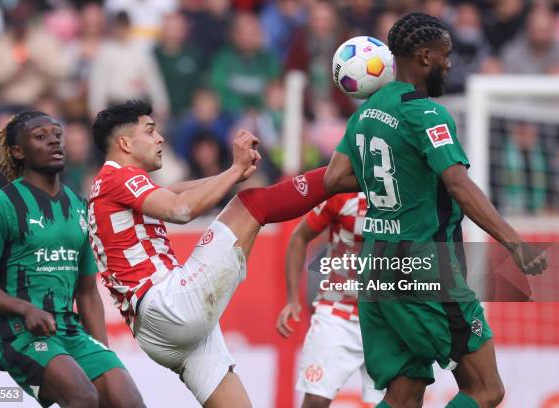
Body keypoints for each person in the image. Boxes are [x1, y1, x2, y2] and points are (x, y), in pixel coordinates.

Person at [323, 12, 547, 408]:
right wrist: (514, 243)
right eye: (446, 56)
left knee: (404, 394)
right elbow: (458, 185)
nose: (449, 64)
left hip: (375, 264)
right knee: (486, 389)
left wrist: (395, 170)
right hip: (423, 267)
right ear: (425, 57)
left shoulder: (366, 113)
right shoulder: (426, 113)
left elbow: (334, 178)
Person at [88, 100, 357, 407]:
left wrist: (233, 172)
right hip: (168, 304)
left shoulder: (111, 185)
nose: (160, 138)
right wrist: (237, 171)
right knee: (251, 205)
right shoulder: (118, 177)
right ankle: (346, 176)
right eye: (150, 131)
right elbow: (181, 209)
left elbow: (178, 193)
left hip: (156, 332)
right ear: (124, 142)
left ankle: (345, 177)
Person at [0, 111, 145, 408]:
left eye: (57, 135)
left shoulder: (79, 206)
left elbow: (87, 292)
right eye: (41, 136)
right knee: (82, 397)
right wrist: (26, 310)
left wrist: (101, 351)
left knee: (126, 400)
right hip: (20, 332)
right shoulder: (1, 205)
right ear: (18, 151)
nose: (54, 141)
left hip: (68, 330)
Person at [276, 192, 385, 407]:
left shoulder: (407, 190)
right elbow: (300, 236)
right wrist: (292, 299)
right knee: (316, 399)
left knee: (393, 402)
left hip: (388, 317)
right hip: (338, 313)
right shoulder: (344, 193)